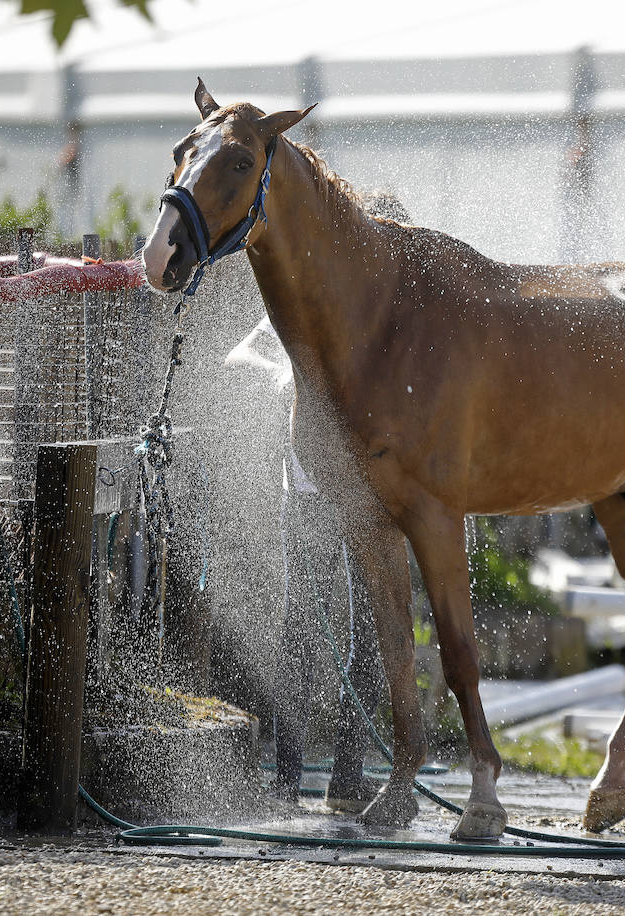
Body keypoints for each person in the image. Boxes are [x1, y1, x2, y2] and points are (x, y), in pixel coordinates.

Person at [224, 190, 409, 813]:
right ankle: (284, 777)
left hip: (368, 502)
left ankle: (348, 777)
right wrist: (279, 374)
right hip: (303, 493)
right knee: (299, 630)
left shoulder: (393, 315)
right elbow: (242, 351)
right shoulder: (311, 296)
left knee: (366, 636)